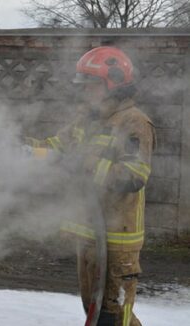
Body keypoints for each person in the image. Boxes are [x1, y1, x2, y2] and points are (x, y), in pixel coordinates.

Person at [27, 46, 156, 326]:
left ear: (114, 83)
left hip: (117, 241)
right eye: (83, 85)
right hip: (88, 237)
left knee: (113, 317)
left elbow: (135, 175)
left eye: (91, 85)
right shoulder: (87, 119)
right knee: (94, 312)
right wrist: (25, 148)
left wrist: (83, 165)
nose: (85, 91)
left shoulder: (134, 122)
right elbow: (56, 147)